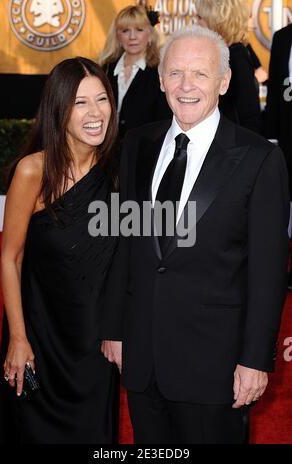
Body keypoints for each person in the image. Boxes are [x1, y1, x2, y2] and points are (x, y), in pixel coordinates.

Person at [101, 25, 289, 444]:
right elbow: (127, 245)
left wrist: (255, 360)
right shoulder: (137, 144)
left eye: (200, 74)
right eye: (176, 73)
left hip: (216, 366)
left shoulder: (260, 158)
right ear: (162, 78)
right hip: (143, 357)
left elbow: (268, 273)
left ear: (223, 82)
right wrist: (114, 327)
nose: (186, 86)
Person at [0, 57, 119, 444]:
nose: (95, 113)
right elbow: (10, 259)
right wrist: (18, 338)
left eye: (102, 99)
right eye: (81, 103)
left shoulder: (118, 172)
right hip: (40, 339)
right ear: (59, 109)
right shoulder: (33, 171)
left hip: (96, 345)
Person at [99, 5, 171, 139]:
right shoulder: (105, 70)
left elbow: (164, 121)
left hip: (144, 151)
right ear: (118, 36)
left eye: (139, 30)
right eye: (125, 30)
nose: (132, 37)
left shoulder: (160, 72)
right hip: (106, 151)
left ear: (150, 34)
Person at [195, 0, 263, 134]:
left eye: (200, 17)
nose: (196, 23)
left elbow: (248, 113)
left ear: (216, 20)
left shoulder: (236, 56)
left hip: (233, 146)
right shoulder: (220, 53)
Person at [264, 24, 292, 289]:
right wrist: (271, 138)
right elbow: (274, 91)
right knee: (282, 210)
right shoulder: (283, 38)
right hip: (286, 139)